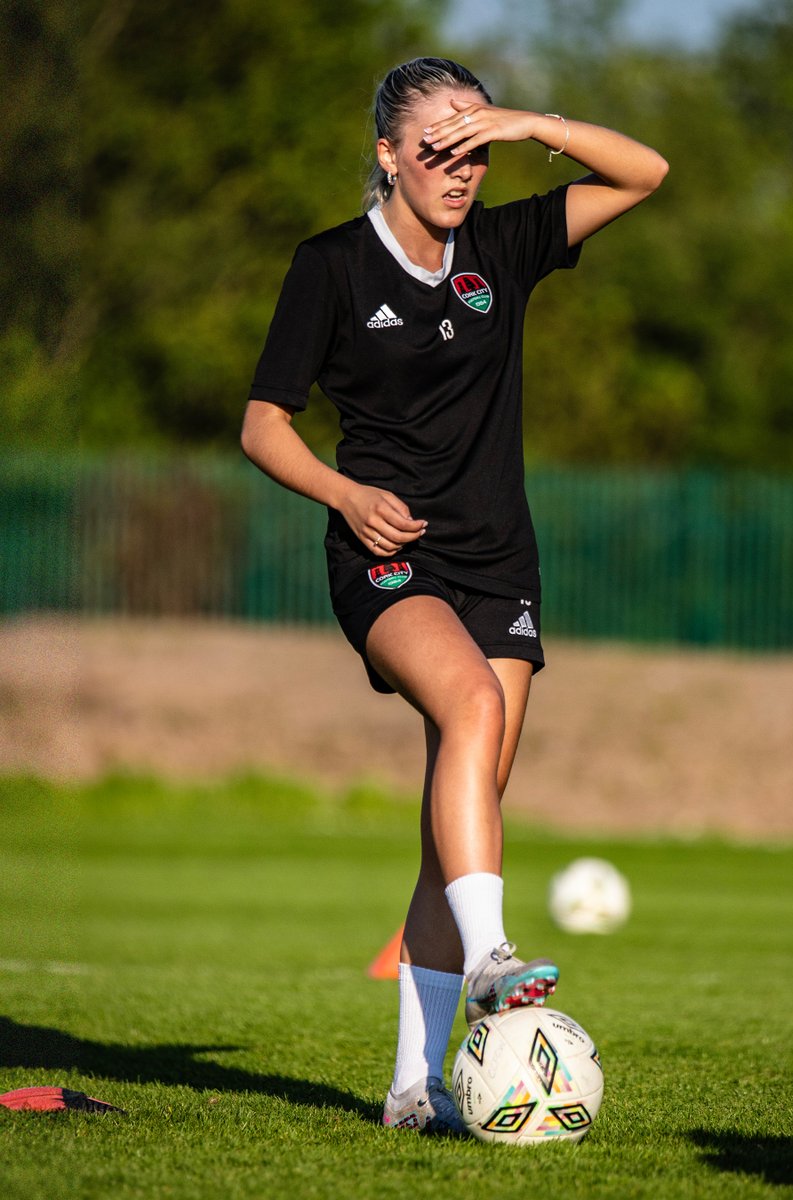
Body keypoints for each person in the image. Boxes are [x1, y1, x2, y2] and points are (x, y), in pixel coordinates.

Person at [241, 56, 668, 1135]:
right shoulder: (331, 266)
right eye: (439, 146)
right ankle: (492, 962)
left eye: (475, 149)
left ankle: (410, 1089)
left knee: (459, 833)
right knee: (472, 706)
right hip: (387, 559)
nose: (462, 168)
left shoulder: (504, 245)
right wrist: (345, 495)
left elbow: (647, 171)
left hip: (499, 564)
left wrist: (526, 125)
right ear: (387, 153)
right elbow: (262, 425)